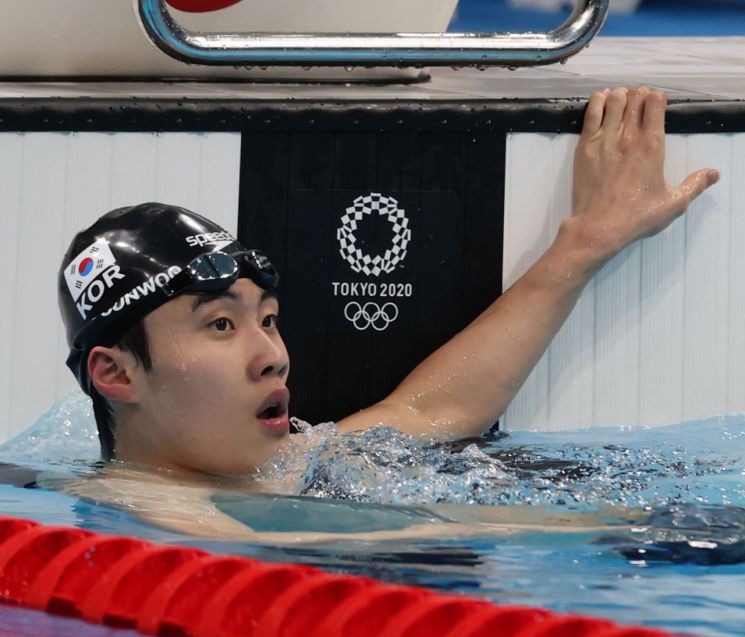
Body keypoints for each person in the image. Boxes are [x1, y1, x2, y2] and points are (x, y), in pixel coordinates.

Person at [56, 87, 719, 543]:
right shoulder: (150, 510)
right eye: (221, 326)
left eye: (268, 319)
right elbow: (367, 537)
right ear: (115, 374)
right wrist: (628, 526)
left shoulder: (276, 465)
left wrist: (584, 243)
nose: (272, 353)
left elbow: (423, 414)